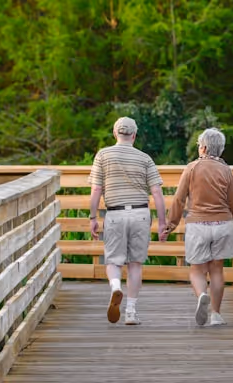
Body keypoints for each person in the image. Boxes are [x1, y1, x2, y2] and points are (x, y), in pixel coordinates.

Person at [160, 128, 233, 326]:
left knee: (197, 270)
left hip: (198, 224)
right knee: (217, 270)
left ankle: (201, 296)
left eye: (199, 145)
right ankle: (215, 314)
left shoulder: (191, 168)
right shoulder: (226, 170)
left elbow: (179, 199)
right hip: (223, 224)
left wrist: (170, 224)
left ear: (204, 148)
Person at [88, 116, 166, 325]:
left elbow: (96, 189)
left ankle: (115, 286)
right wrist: (162, 222)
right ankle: (131, 312)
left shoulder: (103, 155)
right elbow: (157, 192)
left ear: (115, 134)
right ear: (134, 135)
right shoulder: (144, 158)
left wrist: (93, 217)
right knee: (135, 264)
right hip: (140, 214)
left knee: (113, 260)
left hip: (115, 213)